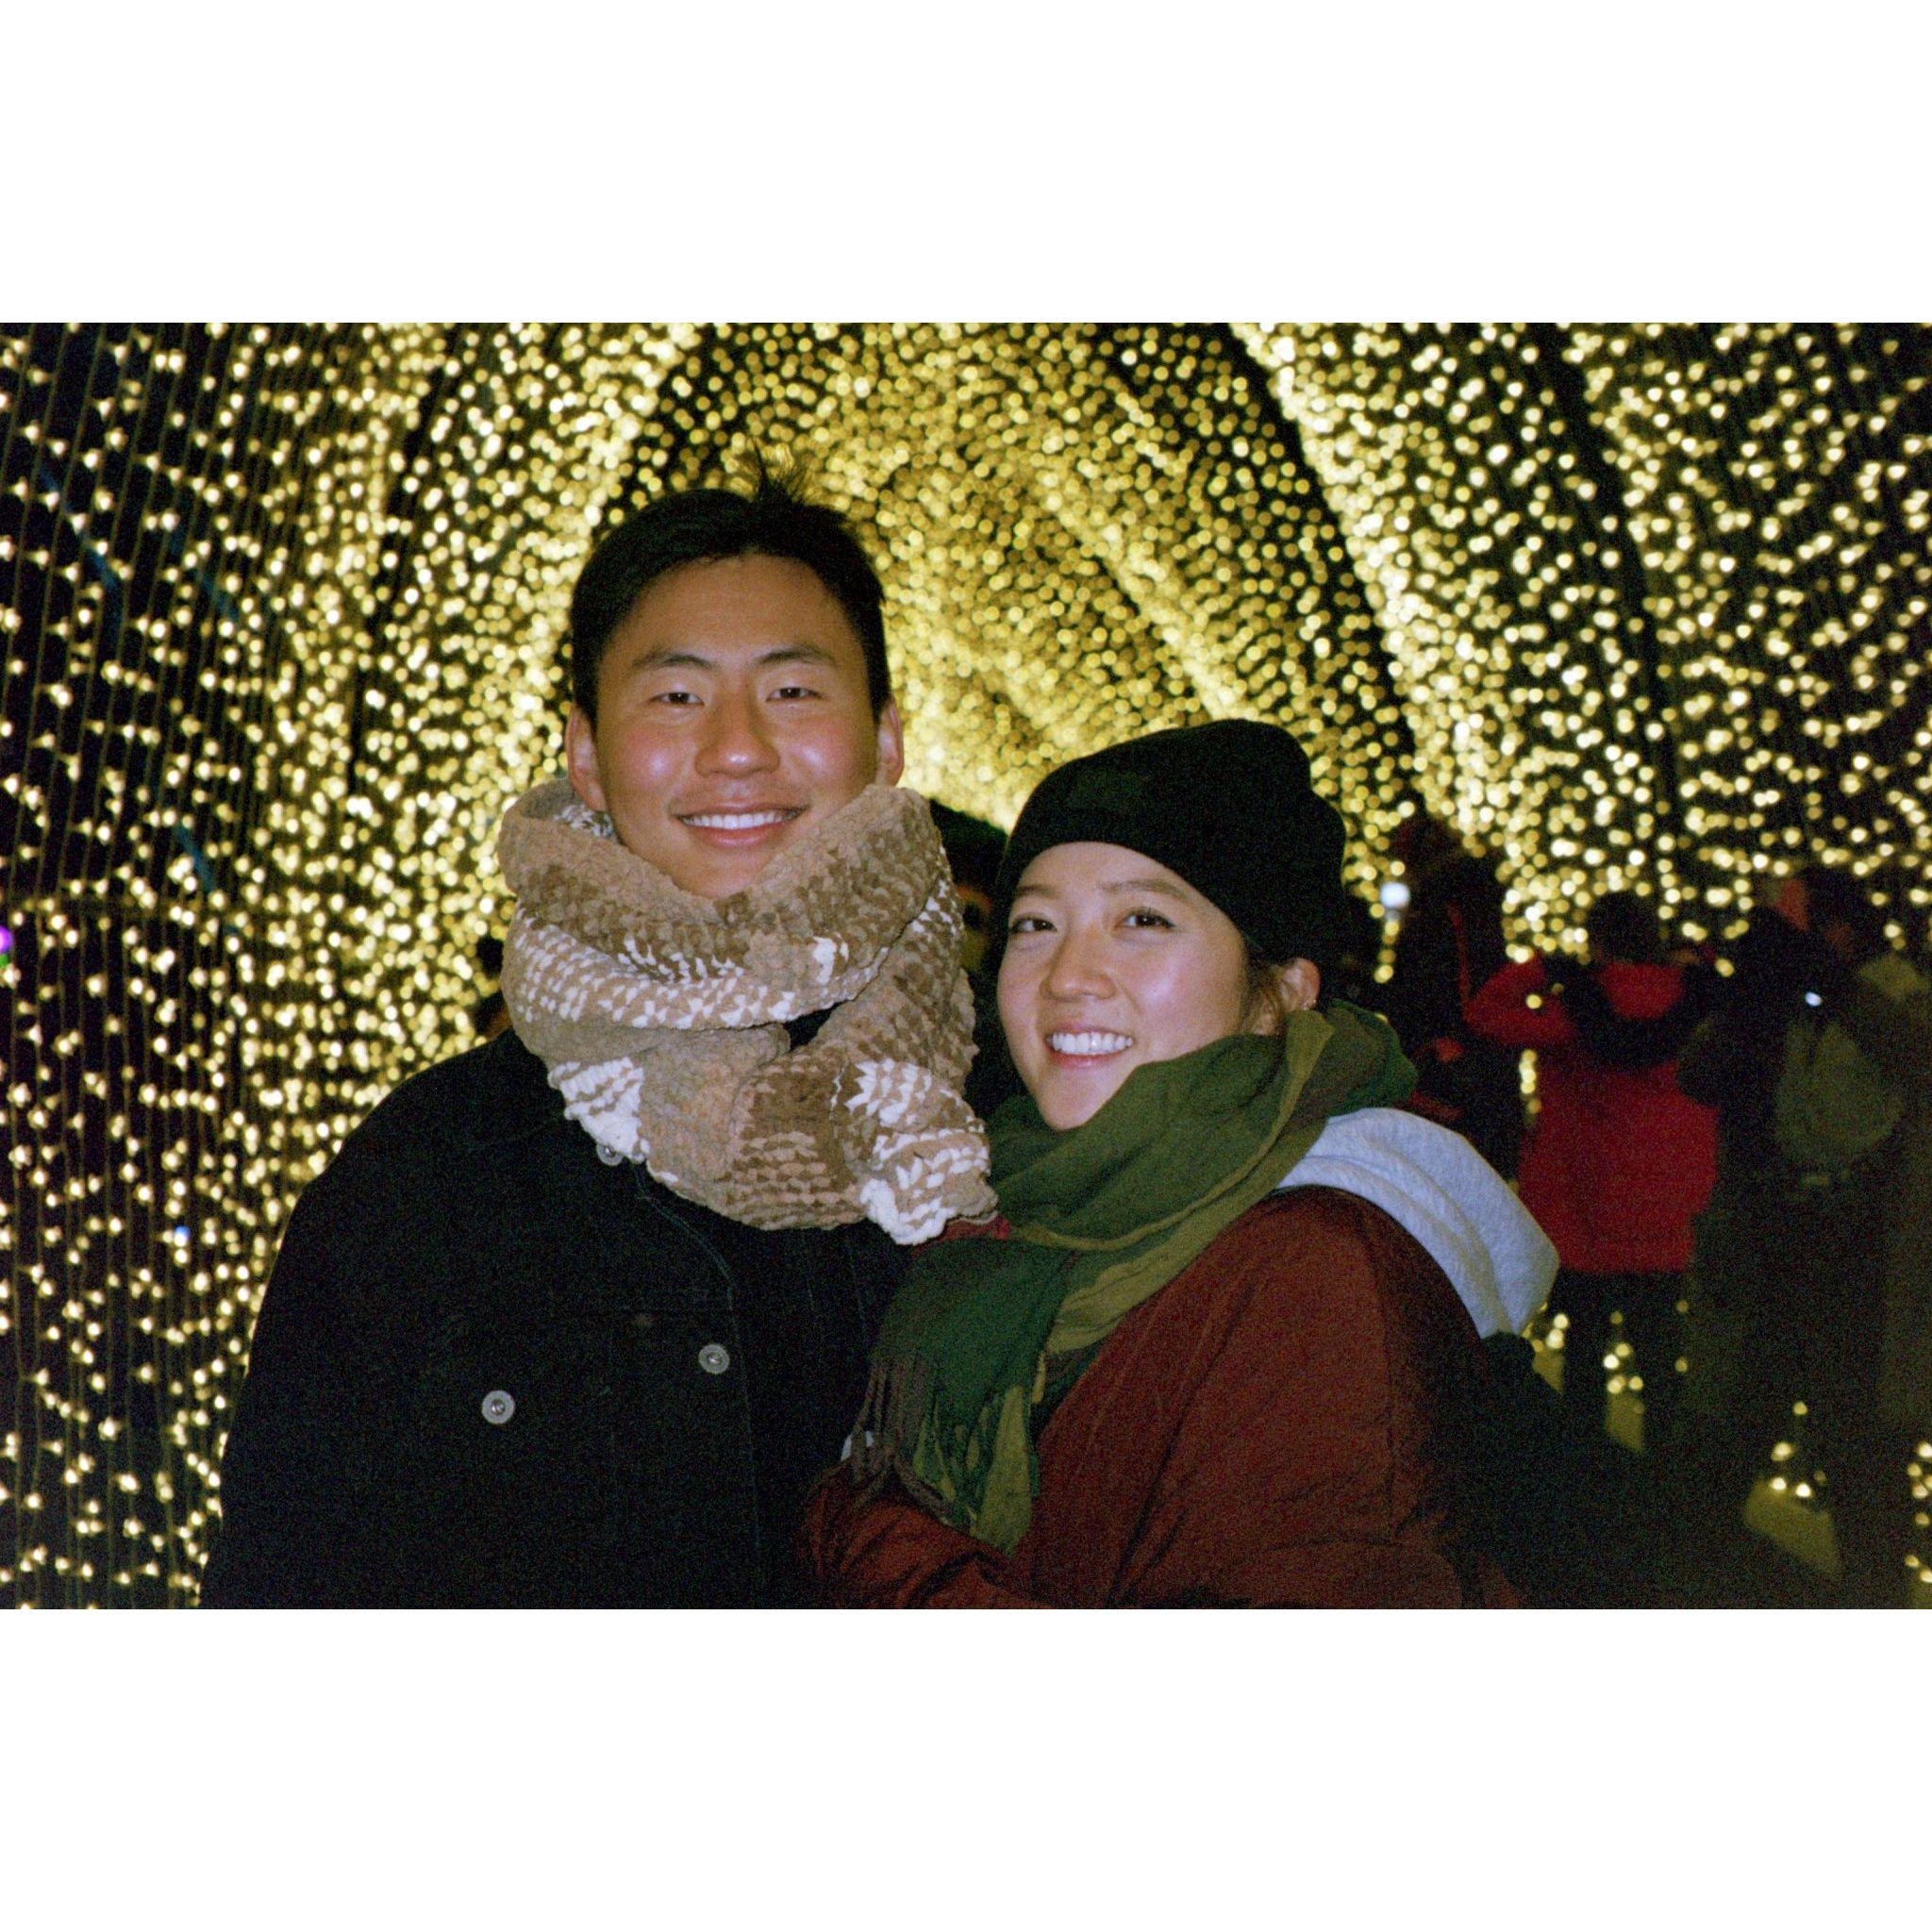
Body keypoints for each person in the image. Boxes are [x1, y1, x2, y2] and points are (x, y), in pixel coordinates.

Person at [201, 468, 994, 1607]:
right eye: (675, 695)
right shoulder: (434, 1171)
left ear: (884, 740)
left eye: (791, 689)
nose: (735, 747)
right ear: (585, 754)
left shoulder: (1005, 1126)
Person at [802, 721, 1555, 1607]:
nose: (1068, 975)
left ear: (1282, 991)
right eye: (1036, 924)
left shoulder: (1318, 1274)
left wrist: (868, 1541)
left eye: (1143, 920)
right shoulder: (998, 1206)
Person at [1676, 867, 1932, 1607]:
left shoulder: (1899, 997)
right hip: (1766, 1268)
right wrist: (1752, 997)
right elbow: (1699, 1074)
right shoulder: (1780, 1004)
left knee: (1863, 1476)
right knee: (1725, 1458)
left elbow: (1913, 1056)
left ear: (1843, 930)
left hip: (1864, 1282)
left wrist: (1830, 985)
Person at [1466, 891, 1718, 1462]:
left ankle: (1587, 1479)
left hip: (1586, 1213)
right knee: (1661, 1362)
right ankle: (1667, 1487)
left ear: (1597, 940)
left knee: (1583, 1355)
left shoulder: (1576, 1008)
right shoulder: (1695, 1006)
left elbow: (1484, 1015)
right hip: (1668, 1216)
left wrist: (1543, 969)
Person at [1383, 808, 1524, 1178]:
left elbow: (1434, 984)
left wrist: (1435, 1043)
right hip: (1477, 1056)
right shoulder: (1470, 901)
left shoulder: (1439, 907)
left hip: (1451, 1059)